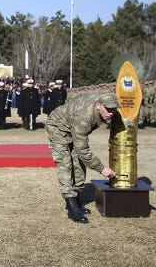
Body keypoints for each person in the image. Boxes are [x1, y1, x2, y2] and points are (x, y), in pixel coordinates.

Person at [45, 92, 118, 224]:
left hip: (73, 125)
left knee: (79, 163)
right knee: (65, 163)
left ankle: (77, 198)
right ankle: (71, 206)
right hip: (57, 126)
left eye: (114, 109)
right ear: (98, 105)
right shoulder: (84, 117)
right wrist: (101, 169)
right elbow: (82, 150)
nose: (111, 113)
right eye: (108, 109)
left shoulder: (103, 106)